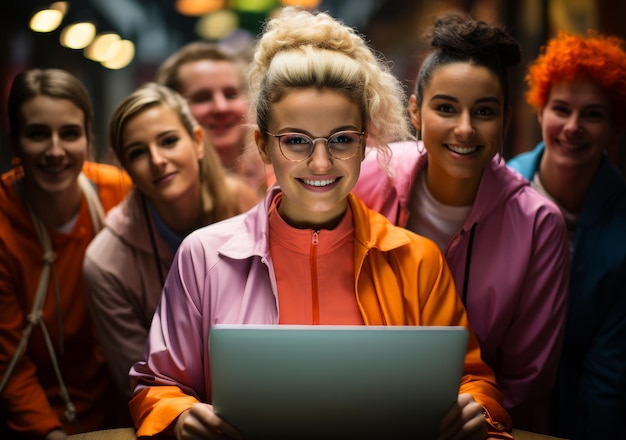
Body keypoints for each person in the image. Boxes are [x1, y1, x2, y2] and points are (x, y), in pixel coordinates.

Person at [129, 6, 513, 439]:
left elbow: (474, 380)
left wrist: (475, 407)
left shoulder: (417, 259)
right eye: (295, 140)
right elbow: (157, 384)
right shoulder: (203, 256)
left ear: (365, 142)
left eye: (342, 140)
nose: (320, 162)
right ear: (262, 144)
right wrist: (179, 415)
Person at [353, 12, 570, 433]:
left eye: (484, 111)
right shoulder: (366, 176)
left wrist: (482, 413)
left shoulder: (538, 224)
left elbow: (529, 377)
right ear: (415, 112)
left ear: (506, 119)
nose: (465, 129)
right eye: (446, 108)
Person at [82, 82, 258, 403]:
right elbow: (135, 378)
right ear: (125, 168)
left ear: (198, 142)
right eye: (137, 153)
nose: (157, 159)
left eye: (169, 141)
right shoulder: (105, 262)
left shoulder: (243, 203)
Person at [507, 30, 626, 439]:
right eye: (561, 108)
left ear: (614, 129)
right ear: (539, 112)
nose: (573, 127)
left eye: (593, 114)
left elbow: (611, 368)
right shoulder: (497, 190)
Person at [0, 68, 131, 438]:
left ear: (88, 140)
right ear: (15, 143)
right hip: (34, 424)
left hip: (126, 416)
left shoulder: (120, 192)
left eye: (69, 134)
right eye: (38, 134)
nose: (55, 150)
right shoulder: (5, 220)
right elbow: (10, 362)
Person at [156, 41, 271, 197]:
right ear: (170, 110)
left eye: (230, 94)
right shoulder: (165, 190)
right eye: (202, 98)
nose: (221, 107)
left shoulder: (280, 171)